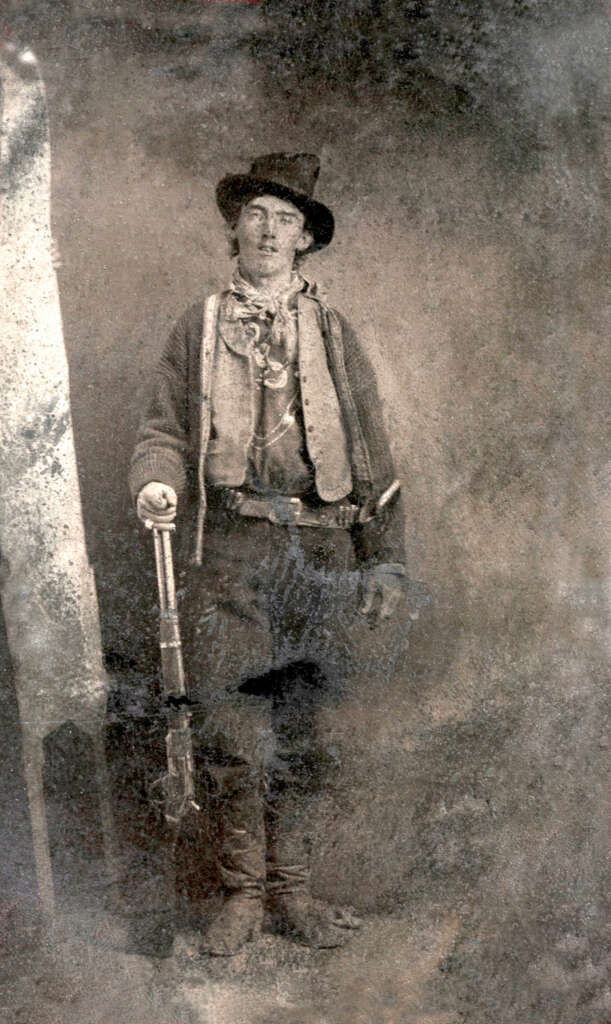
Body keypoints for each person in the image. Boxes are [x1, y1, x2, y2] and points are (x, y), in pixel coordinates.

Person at [129, 153, 410, 955]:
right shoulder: (201, 323)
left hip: (320, 552)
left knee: (305, 726)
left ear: (305, 242)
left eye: (285, 219)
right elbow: (161, 429)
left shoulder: (330, 331)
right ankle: (242, 895)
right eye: (256, 213)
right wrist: (156, 483)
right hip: (233, 552)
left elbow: (371, 449)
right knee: (231, 727)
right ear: (234, 229)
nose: (267, 229)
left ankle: (294, 893)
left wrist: (381, 558)